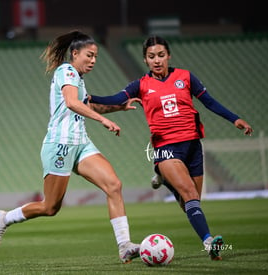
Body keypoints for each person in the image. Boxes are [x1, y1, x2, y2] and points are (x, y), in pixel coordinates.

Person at [89, 36, 253, 261]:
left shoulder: (185, 77)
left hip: (193, 146)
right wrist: (90, 97)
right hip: (166, 148)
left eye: (160, 55)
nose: (156, 60)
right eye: (151, 57)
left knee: (191, 202)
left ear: (169, 55)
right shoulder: (140, 85)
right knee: (189, 193)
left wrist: (235, 119)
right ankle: (209, 243)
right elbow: (115, 98)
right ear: (145, 60)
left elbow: (210, 102)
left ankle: (164, 179)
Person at [0, 30, 141, 263]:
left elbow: (88, 105)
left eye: (96, 57)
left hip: (81, 143)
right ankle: (5, 218)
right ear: (75, 53)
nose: (93, 60)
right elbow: (72, 103)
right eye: (89, 55)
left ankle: (124, 245)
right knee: (50, 207)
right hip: (60, 144)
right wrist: (103, 120)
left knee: (114, 185)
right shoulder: (66, 71)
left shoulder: (78, 79)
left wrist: (117, 109)